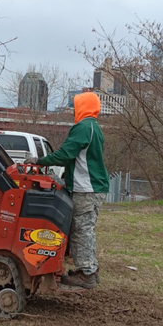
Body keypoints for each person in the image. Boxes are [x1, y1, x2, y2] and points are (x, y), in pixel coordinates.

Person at [26, 91, 109, 289]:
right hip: (91, 187)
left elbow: (65, 154)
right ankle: (89, 270)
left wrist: (40, 161)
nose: (74, 111)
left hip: (86, 189)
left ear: (84, 107)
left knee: (81, 230)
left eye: (76, 106)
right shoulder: (93, 127)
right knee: (84, 228)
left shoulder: (83, 126)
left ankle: (86, 273)